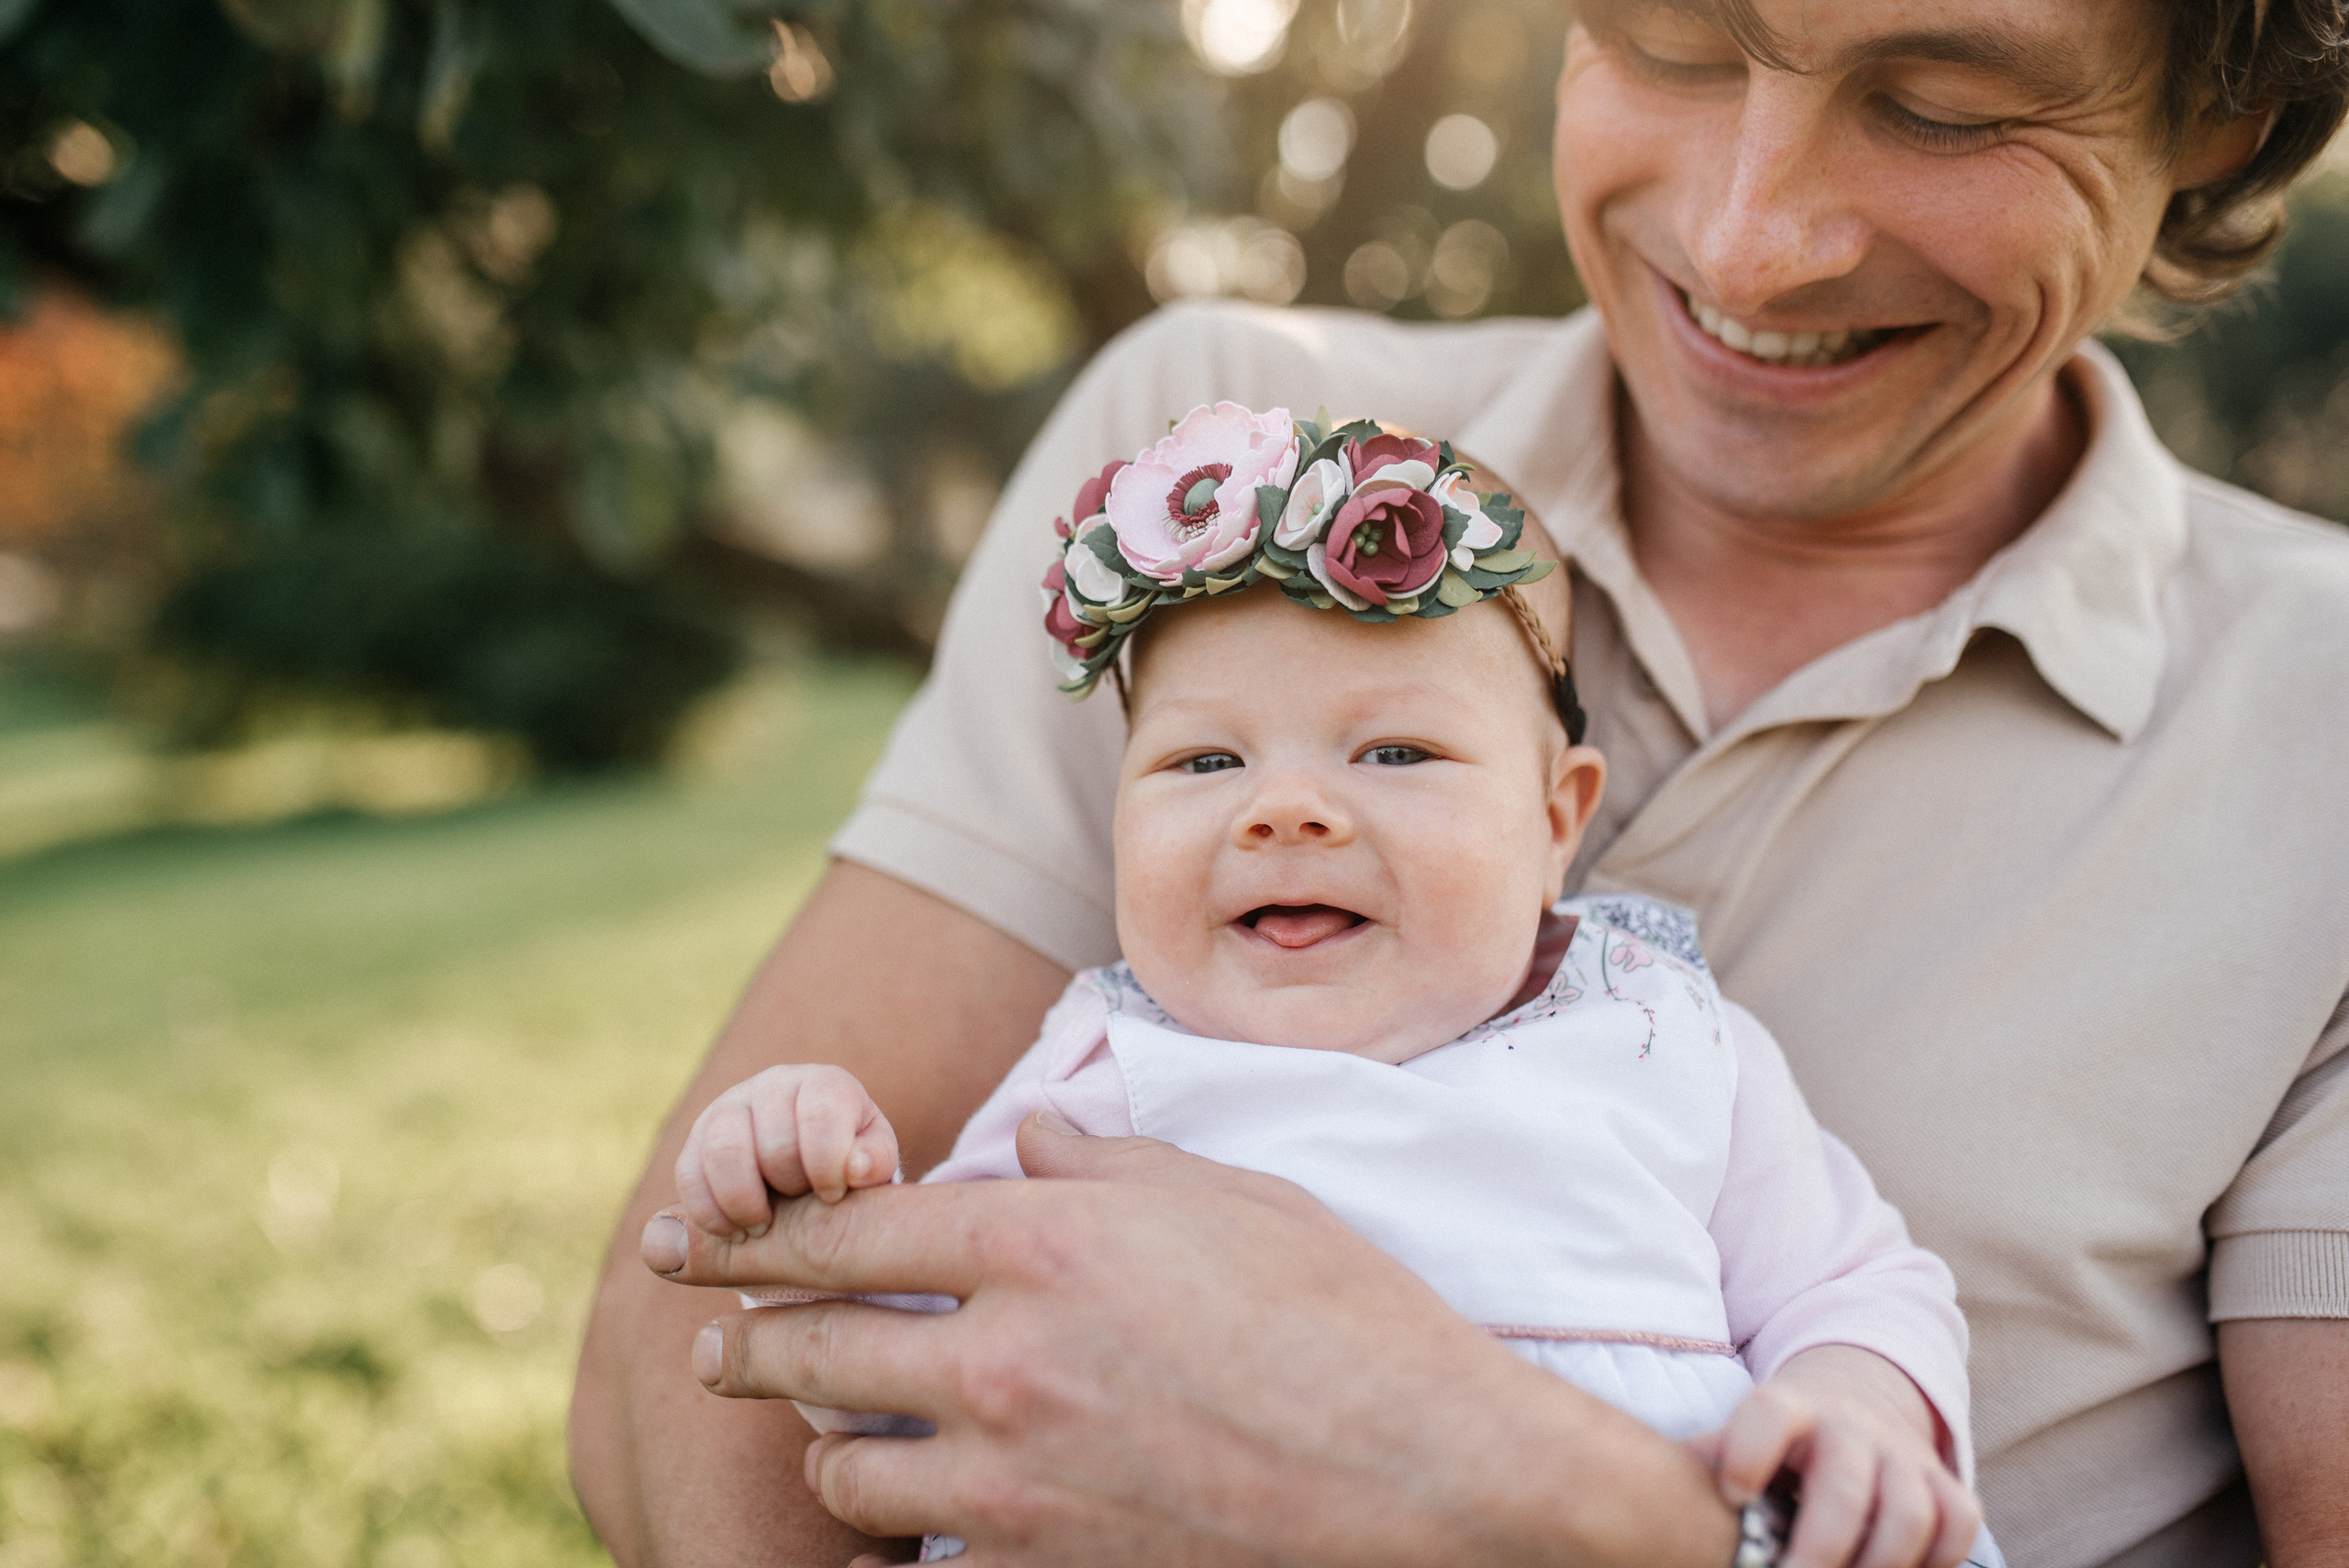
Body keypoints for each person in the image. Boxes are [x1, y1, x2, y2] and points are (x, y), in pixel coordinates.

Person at [570, 2, 2349, 1563]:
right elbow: (707, 1360)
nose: (1746, 246)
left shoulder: (2312, 716)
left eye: (1945, 104)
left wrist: (1573, 1520)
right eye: (1662, 38)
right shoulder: (1218, 490)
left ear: (2220, 114)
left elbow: (1852, 1307)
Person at [668, 410, 1998, 1567]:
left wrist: (1860, 1406)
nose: (1286, 808)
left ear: (1556, 821)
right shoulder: (1095, 1083)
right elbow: (925, 1382)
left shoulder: (1658, 1029)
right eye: (1202, 764)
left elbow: (1852, 1278)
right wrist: (810, 1181)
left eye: (1397, 749)